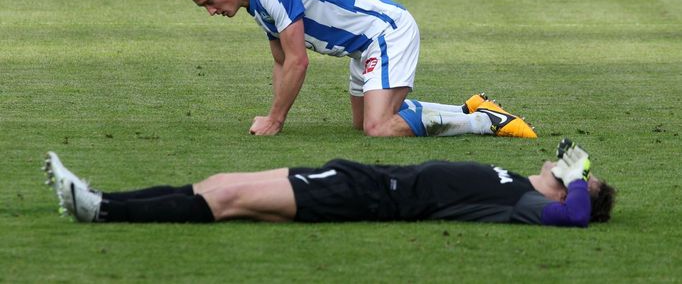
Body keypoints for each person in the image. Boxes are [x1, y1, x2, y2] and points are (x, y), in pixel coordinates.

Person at [185, 0, 537, 138]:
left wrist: (276, 120)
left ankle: (482, 122)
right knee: (363, 123)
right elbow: (280, 62)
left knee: (378, 127)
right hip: (363, 48)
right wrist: (272, 115)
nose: (212, 11)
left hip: (386, 32)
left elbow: (298, 62)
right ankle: (469, 108)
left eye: (210, 1)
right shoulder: (258, 5)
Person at [44, 139, 615, 227]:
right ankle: (101, 197)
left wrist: (580, 181)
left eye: (568, 172)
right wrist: (570, 171)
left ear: (567, 188)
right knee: (218, 180)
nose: (559, 163)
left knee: (227, 199)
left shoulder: (525, 201)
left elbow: (576, 219)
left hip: (366, 196)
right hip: (363, 175)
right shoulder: (516, 177)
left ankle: (99, 211)